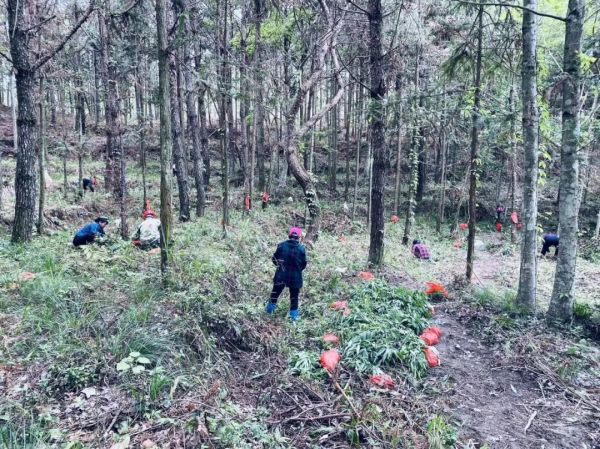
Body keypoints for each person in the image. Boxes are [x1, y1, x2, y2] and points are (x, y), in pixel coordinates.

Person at [266, 227, 307, 321]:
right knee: (294, 297)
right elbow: (304, 264)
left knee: (274, 294)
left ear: (289, 235)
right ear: (299, 237)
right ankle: (294, 319)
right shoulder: (301, 249)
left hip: (281, 275)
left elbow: (274, 259)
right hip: (295, 277)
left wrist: (280, 267)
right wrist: (297, 270)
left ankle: (268, 313)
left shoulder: (281, 246)